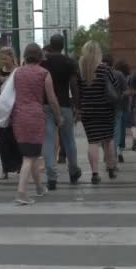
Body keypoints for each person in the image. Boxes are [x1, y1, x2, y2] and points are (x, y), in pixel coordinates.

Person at [12, 43, 63, 205]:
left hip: (19, 115)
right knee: (30, 156)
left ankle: (40, 187)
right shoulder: (44, 73)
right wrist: (58, 116)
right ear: (40, 57)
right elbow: (52, 99)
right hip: (35, 115)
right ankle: (21, 192)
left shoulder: (17, 73)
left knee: (32, 154)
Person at [40, 34, 82, 190]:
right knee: (69, 139)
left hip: (46, 105)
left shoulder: (43, 63)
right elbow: (73, 85)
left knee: (49, 140)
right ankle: (73, 171)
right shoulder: (69, 62)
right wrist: (78, 106)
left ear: (50, 45)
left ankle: (51, 177)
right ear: (63, 45)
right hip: (64, 105)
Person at [77, 41, 118, 184]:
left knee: (93, 142)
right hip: (105, 109)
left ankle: (95, 173)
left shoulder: (81, 70)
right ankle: (111, 168)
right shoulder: (104, 69)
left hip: (88, 110)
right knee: (108, 139)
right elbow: (115, 86)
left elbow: (77, 91)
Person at [0, 47, 22, 180]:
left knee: (16, 139)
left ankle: (19, 166)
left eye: (5, 58)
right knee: (2, 140)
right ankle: (5, 170)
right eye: (1, 58)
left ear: (11, 56)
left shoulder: (18, 71)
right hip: (1, 110)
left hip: (14, 110)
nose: (3, 61)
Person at [103, 55, 128, 167]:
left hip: (102, 108)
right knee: (115, 133)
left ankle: (106, 155)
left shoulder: (97, 74)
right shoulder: (119, 74)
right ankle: (113, 158)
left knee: (104, 133)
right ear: (112, 63)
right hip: (117, 107)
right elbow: (125, 91)